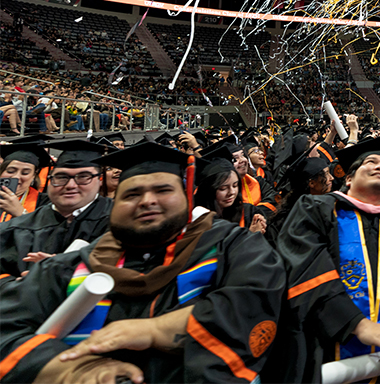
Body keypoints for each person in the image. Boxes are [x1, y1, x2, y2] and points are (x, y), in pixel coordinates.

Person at [0, 142, 286, 383]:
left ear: (188, 196)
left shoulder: (232, 247)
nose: (147, 200)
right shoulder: (71, 266)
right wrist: (72, 370)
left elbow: (254, 301)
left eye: (163, 190)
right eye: (132, 194)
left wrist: (152, 330)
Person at [271, 137, 380, 383]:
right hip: (325, 352)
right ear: (348, 178)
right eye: (371, 162)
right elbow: (306, 267)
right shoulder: (316, 209)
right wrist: (357, 323)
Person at [0, 139, 114, 280]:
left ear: (100, 180)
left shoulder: (116, 221)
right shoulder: (18, 227)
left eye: (83, 177)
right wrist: (18, 285)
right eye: (61, 177)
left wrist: (59, 269)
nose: (71, 185)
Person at [199, 140, 278, 219]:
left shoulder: (258, 182)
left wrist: (251, 213)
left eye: (242, 155)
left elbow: (274, 200)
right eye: (235, 159)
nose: (242, 160)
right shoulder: (207, 193)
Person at [193, 158, 267, 233]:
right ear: (208, 190)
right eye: (223, 188)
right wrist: (250, 236)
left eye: (235, 185)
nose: (232, 192)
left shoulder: (249, 212)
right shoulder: (197, 218)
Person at [0, 143, 49, 222]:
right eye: (10, 171)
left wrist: (20, 213)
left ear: (33, 176)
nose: (16, 177)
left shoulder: (44, 203)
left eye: (25, 173)